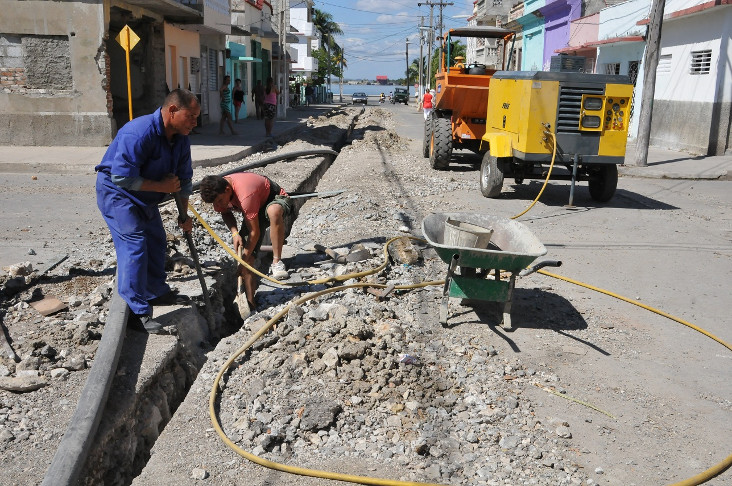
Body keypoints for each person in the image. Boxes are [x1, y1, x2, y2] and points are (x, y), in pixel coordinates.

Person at [95, 89, 199, 334]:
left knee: (156, 240)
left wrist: (184, 217)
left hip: (145, 197)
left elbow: (184, 182)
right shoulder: (138, 132)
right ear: (172, 110)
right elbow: (121, 177)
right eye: (191, 116)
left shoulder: (181, 139)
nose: (195, 122)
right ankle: (137, 311)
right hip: (117, 194)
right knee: (135, 243)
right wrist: (161, 186)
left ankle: (155, 292)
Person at [199, 173, 292, 312]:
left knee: (274, 212)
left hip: (272, 199)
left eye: (219, 201)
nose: (218, 205)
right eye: (215, 203)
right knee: (247, 259)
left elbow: (255, 232)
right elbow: (225, 213)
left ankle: (276, 261)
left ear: (228, 190)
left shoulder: (245, 194)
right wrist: (235, 233)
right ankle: (251, 304)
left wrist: (243, 259)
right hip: (252, 209)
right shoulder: (219, 192)